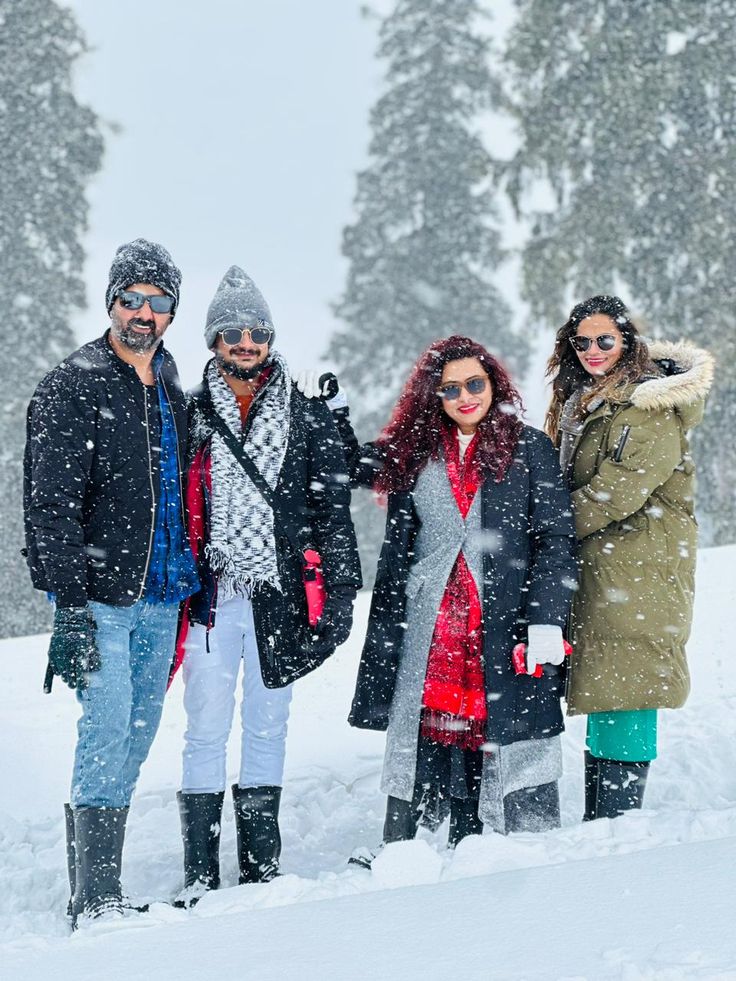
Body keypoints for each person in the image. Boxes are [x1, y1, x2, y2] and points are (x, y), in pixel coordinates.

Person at [304, 335, 577, 856]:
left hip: (503, 620)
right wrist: (333, 419)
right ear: (435, 395)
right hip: (432, 625)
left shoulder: (529, 448)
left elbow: (555, 537)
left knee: (501, 725)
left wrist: (546, 618)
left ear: (494, 383)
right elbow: (350, 466)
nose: (464, 397)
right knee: (433, 728)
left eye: (474, 384)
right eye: (450, 389)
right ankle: (419, 845)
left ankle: (505, 841)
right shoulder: (415, 450)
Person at [171, 266, 361, 906]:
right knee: (205, 726)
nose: (246, 343)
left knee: (268, 721)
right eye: (232, 333)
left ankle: (260, 864)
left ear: (270, 338)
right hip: (212, 592)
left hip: (281, 595)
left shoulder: (306, 416)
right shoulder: (190, 415)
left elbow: (333, 513)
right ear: (214, 341)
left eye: (257, 332)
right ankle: (200, 874)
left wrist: (340, 594)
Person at [23, 239, 199, 926]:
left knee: (137, 728)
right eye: (132, 299)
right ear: (111, 302)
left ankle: (105, 884)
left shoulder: (171, 385)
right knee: (105, 724)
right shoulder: (73, 384)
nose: (143, 313)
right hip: (100, 596)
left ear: (171, 312)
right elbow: (49, 505)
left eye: (158, 302)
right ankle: (93, 897)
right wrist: (69, 604)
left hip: (161, 594)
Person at [544, 295, 714, 820]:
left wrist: (544, 527)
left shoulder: (649, 406)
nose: (592, 350)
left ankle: (618, 825)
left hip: (639, 574)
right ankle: (604, 823)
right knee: (608, 689)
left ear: (627, 341)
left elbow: (614, 493)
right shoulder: (588, 402)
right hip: (608, 569)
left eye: (604, 340)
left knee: (628, 688)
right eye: (582, 342)